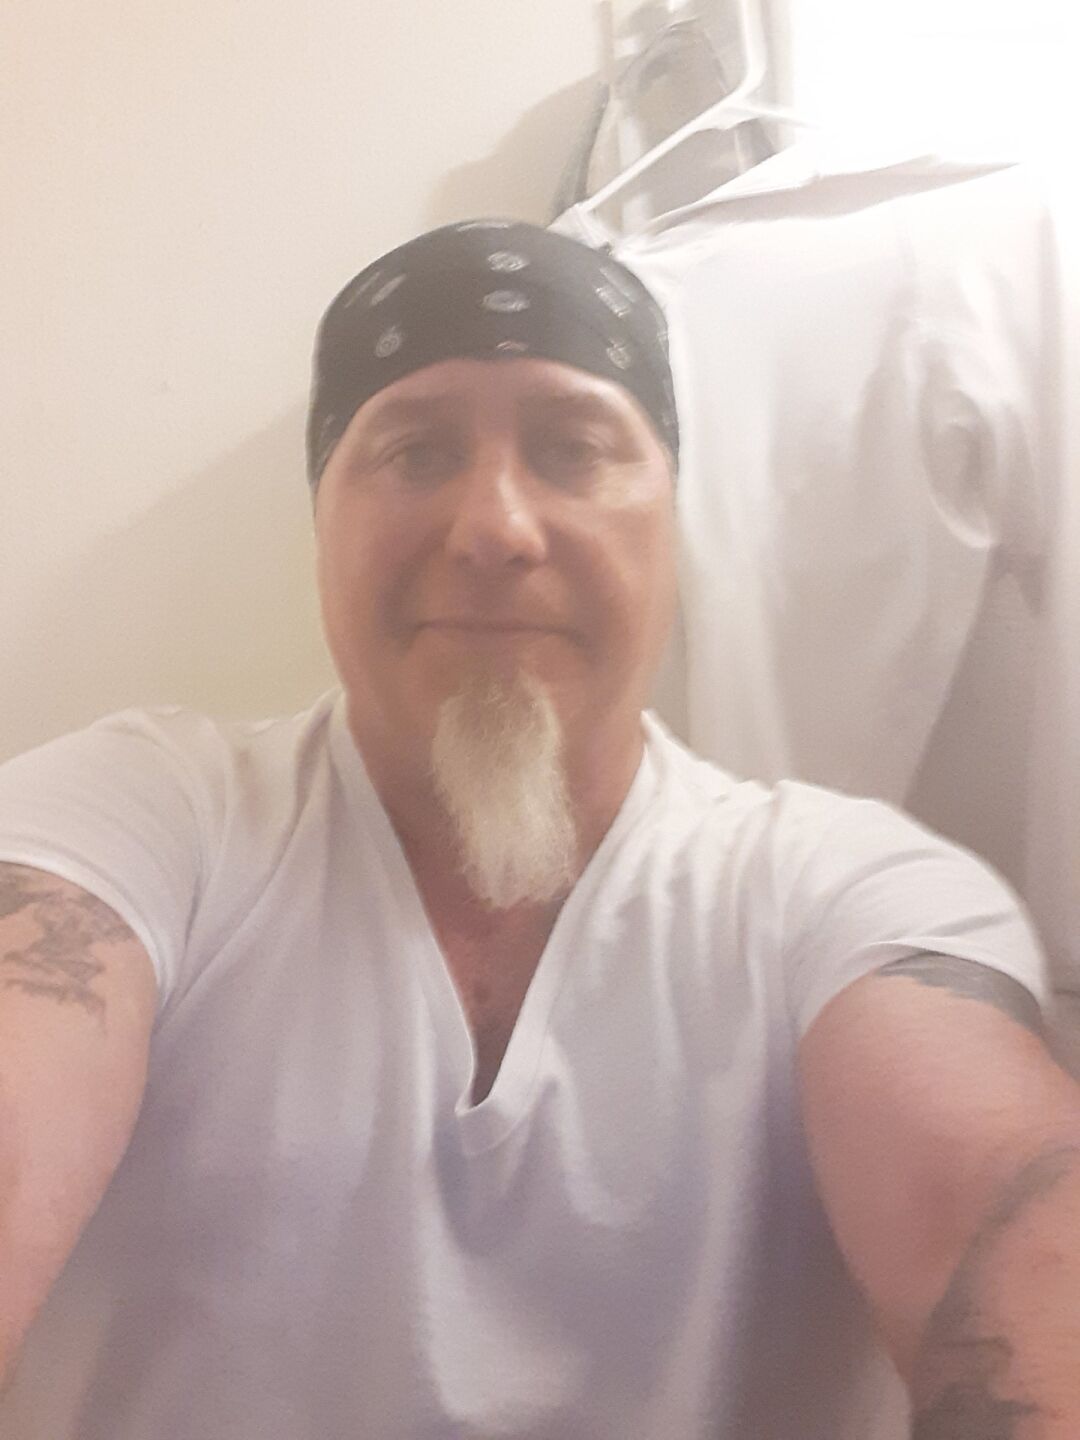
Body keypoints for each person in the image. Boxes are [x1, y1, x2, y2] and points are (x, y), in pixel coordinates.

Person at [0, 219, 1077, 1440]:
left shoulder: (843, 895)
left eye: (574, 450)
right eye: (415, 451)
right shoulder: (137, 819)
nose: (495, 529)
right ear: (324, 520)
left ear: (669, 520)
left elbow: (995, 1201)